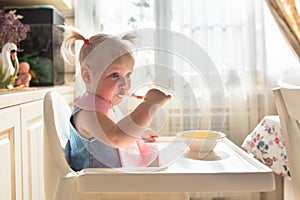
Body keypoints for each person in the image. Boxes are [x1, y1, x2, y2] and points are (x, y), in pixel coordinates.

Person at [61, 28, 171, 171]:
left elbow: (112, 130)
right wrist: (149, 105)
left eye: (128, 75)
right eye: (114, 75)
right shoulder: (88, 114)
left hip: (112, 182)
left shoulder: (103, 105)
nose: (125, 84)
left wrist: (138, 134)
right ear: (87, 76)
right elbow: (117, 136)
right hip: (96, 187)